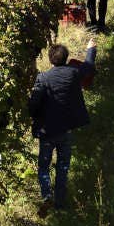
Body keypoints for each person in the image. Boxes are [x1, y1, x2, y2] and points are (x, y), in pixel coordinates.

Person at [29, 38, 97, 215]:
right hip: (65, 130)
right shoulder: (73, 73)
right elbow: (88, 67)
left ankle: (46, 196)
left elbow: (33, 105)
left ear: (50, 60)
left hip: (47, 131)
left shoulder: (43, 79)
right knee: (63, 166)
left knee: (44, 166)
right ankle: (60, 203)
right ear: (66, 58)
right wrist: (91, 49)